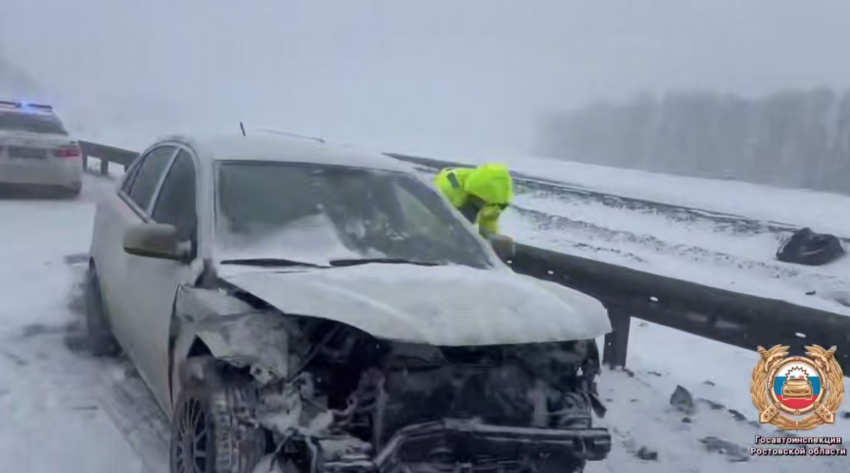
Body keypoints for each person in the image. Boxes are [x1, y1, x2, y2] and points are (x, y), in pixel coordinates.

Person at [433, 163, 516, 257]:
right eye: (478, 200)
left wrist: (490, 247)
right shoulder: (450, 184)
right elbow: (432, 217)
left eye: (483, 203)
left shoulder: (494, 202)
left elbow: (488, 225)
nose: (480, 205)